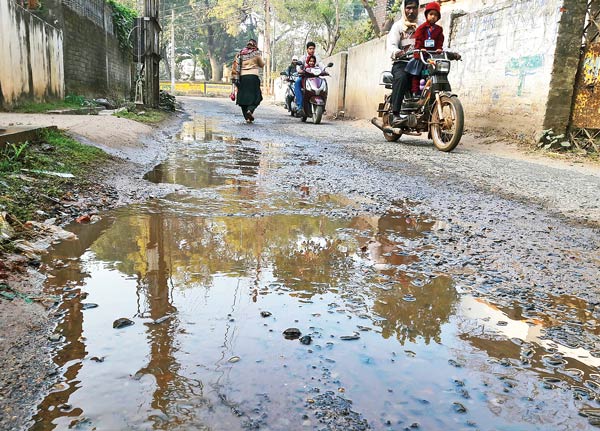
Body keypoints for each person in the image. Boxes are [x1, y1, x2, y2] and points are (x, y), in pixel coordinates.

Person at [386, 0, 420, 126]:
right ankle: (395, 114)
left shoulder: (422, 26)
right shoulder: (398, 26)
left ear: (418, 9)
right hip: (402, 63)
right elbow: (391, 45)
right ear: (403, 9)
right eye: (408, 8)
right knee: (402, 77)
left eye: (414, 8)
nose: (411, 11)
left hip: (419, 63)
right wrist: (397, 52)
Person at [406, 2, 444, 97]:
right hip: (421, 55)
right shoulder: (421, 28)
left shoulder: (439, 29)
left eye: (435, 15)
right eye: (431, 14)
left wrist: (439, 48)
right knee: (417, 73)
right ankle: (415, 92)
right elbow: (418, 40)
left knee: (430, 73)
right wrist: (420, 48)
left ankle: (429, 91)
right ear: (426, 15)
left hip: (432, 56)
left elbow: (440, 40)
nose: (433, 17)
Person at [231, 38, 265, 123]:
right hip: (253, 78)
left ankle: (247, 117)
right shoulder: (256, 53)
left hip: (242, 78)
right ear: (255, 45)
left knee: (243, 98)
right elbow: (262, 64)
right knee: (257, 96)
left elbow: (235, 66)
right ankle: (250, 110)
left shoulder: (240, 54)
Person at [295, 42, 323, 115]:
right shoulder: (303, 57)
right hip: (305, 77)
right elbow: (299, 65)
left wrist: (324, 70)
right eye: (310, 49)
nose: (312, 50)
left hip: (315, 77)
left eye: (313, 49)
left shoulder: (317, 57)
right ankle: (300, 106)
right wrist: (299, 70)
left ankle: (323, 104)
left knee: (323, 82)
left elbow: (321, 64)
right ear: (307, 49)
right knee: (297, 82)